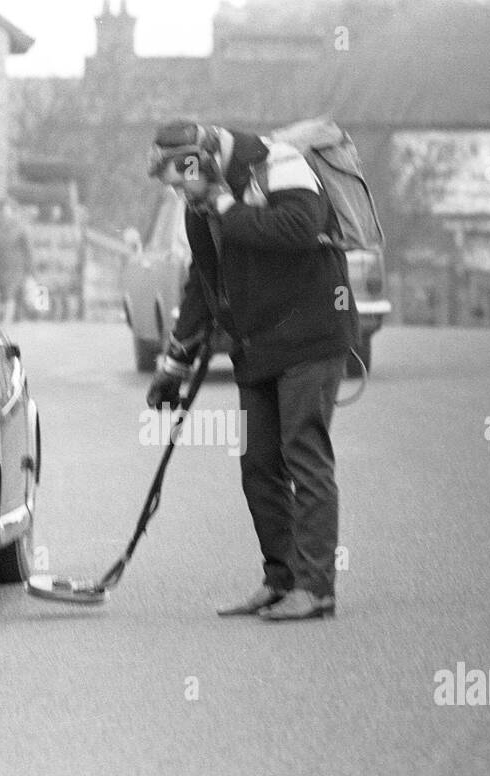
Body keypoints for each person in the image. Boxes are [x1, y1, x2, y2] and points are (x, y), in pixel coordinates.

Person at [145, 120, 352, 621]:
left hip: (311, 334)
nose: (178, 192)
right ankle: (281, 579)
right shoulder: (200, 208)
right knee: (259, 466)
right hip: (257, 345)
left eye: (180, 179)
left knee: (303, 454)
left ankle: (316, 587)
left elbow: (299, 229)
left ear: (202, 161)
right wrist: (174, 362)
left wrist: (224, 205)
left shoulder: (279, 163)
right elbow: (204, 282)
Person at [0, 197, 33, 321]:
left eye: (7, 212)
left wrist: (29, 271)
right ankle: (17, 322)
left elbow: (28, 251)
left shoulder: (21, 229)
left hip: (16, 267)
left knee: (10, 295)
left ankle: (7, 322)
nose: (5, 215)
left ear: (13, 213)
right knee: (7, 296)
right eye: (2, 212)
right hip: (1, 267)